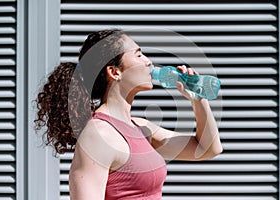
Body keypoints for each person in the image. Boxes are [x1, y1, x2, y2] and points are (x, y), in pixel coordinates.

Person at [34, 29, 223, 200]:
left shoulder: (141, 127)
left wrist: (198, 100)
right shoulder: (98, 136)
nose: (149, 61)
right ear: (115, 72)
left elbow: (207, 149)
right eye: (139, 55)